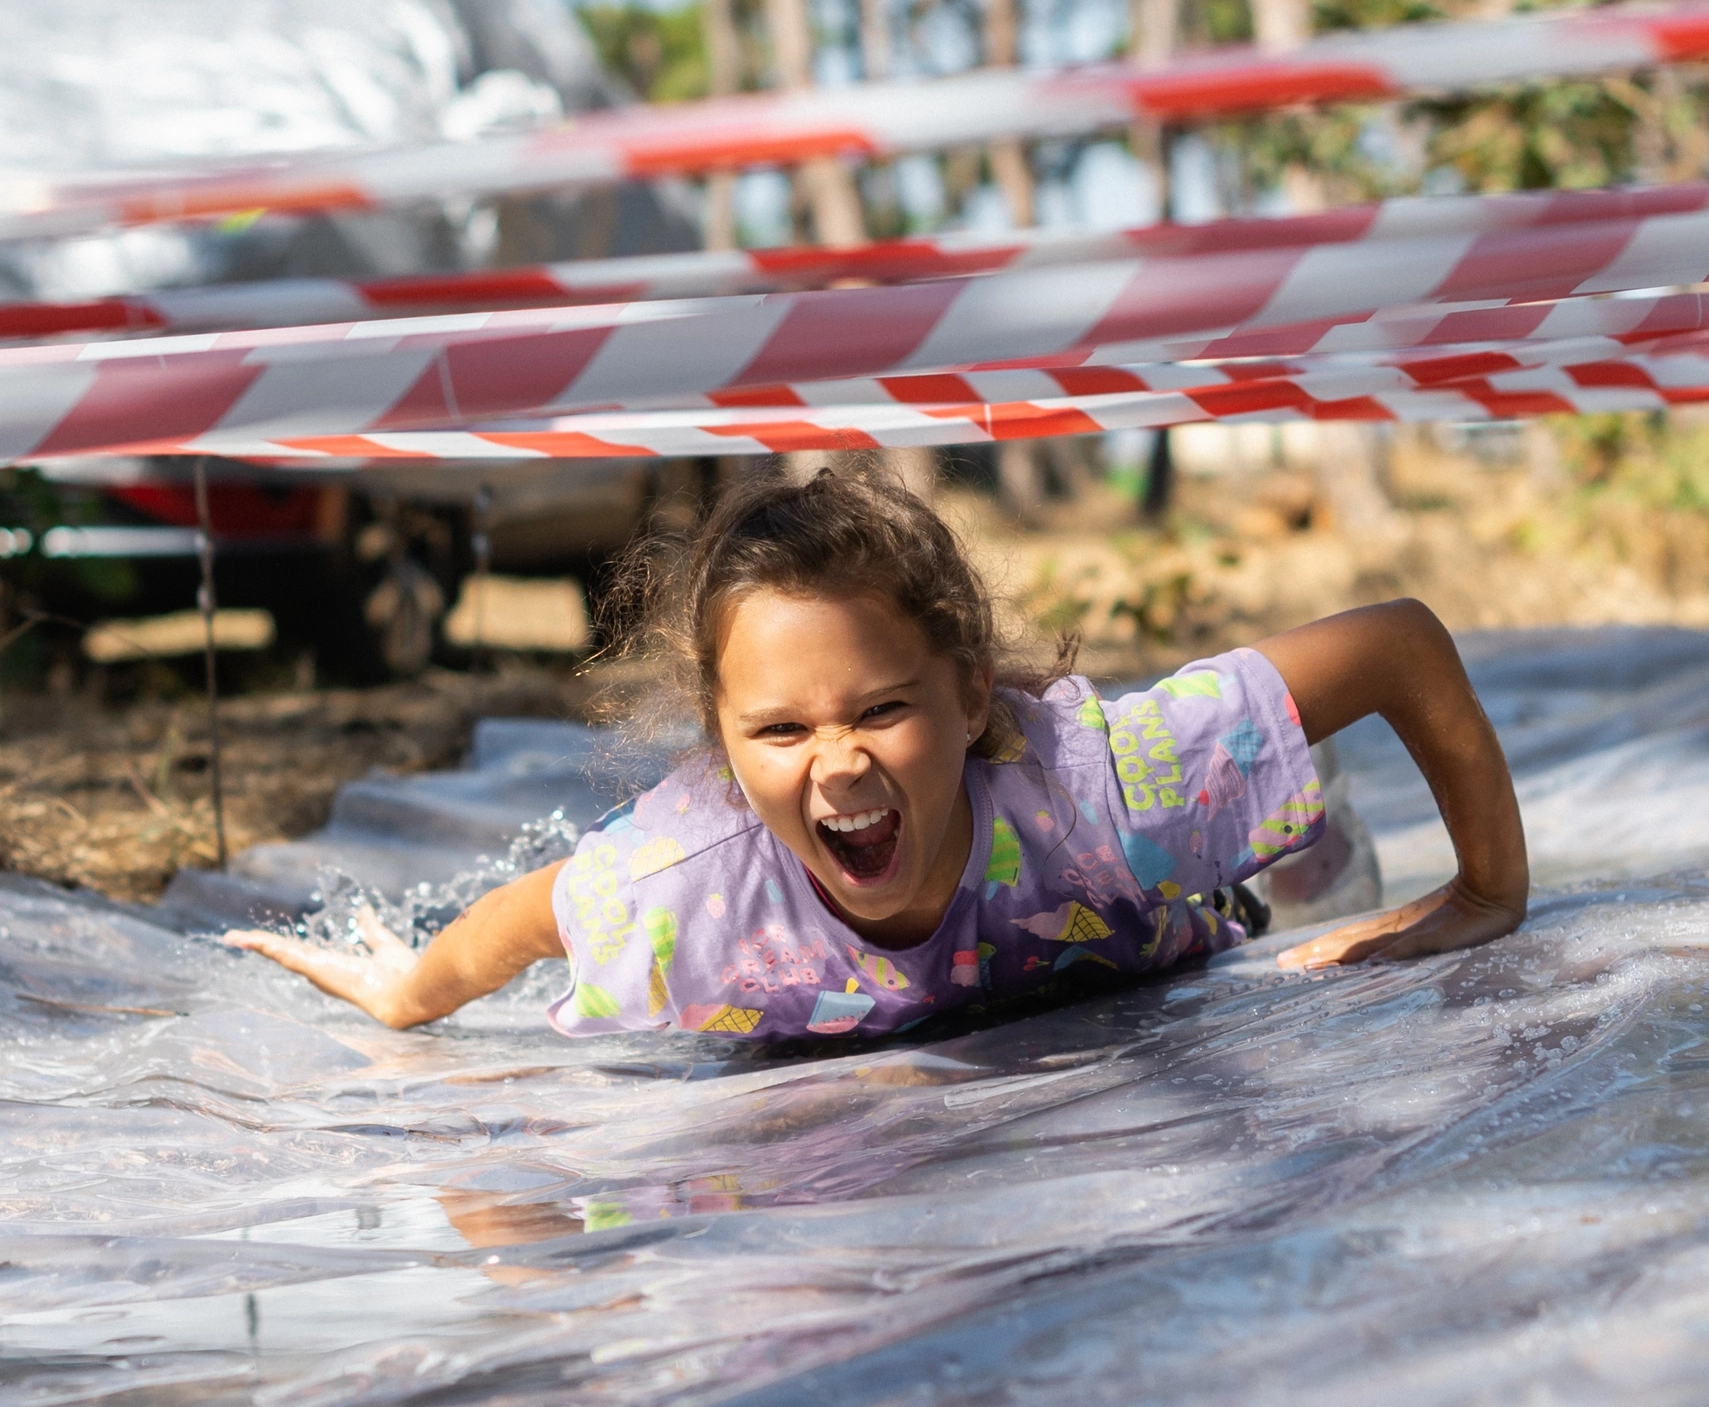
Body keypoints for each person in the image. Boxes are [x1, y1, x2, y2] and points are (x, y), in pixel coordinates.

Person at [224, 464, 1528, 1038]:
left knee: (1291, 863)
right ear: (723, 749)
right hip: (1030, 940)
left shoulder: (1099, 791)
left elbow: (1401, 643)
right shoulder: (692, 887)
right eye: (781, 732)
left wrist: (1484, 893)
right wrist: (407, 996)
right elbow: (519, 921)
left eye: (880, 712)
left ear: (968, 697)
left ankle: (1292, 811)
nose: (837, 762)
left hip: (1178, 900)